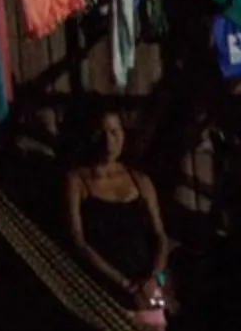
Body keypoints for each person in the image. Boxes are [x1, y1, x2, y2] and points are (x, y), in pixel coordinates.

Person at [64, 111, 173, 315]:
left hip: (148, 286)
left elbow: (160, 236)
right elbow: (78, 241)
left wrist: (154, 278)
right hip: (106, 288)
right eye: (101, 133)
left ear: (123, 134)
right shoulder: (77, 181)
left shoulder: (140, 180)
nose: (108, 141)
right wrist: (124, 284)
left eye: (114, 132)